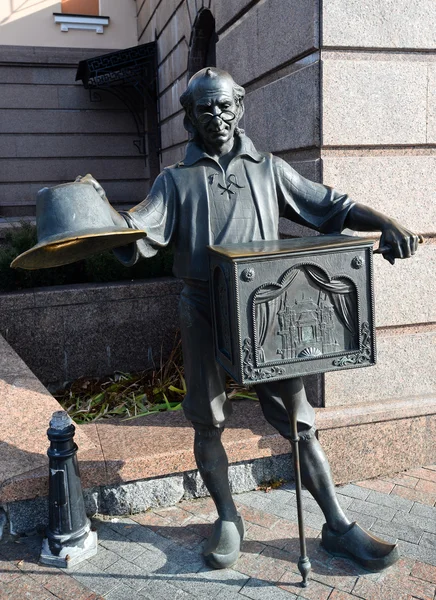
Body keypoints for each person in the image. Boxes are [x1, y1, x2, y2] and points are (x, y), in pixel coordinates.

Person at [103, 67, 419, 571]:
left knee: (298, 423)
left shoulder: (268, 169)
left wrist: (384, 222)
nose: (218, 117)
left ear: (241, 107)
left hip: (266, 309)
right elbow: (137, 227)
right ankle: (228, 517)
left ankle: (337, 525)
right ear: (189, 117)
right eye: (205, 108)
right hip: (204, 307)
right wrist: (96, 221)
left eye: (225, 106)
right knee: (208, 418)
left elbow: (328, 205)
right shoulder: (175, 179)